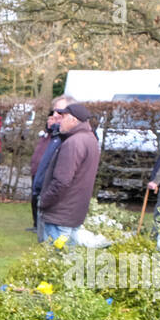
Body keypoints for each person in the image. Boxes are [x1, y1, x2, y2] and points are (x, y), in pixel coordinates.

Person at [36, 102, 100, 246]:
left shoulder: (74, 143)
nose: (59, 122)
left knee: (54, 259)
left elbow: (62, 181)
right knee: (66, 261)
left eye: (63, 117)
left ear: (73, 120)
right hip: (71, 213)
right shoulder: (90, 139)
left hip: (60, 215)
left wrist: (44, 201)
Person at [31, 95, 73, 241]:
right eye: (54, 111)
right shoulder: (56, 135)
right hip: (44, 196)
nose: (55, 115)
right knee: (44, 246)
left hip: (56, 205)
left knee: (54, 248)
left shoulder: (70, 140)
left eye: (59, 112)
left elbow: (63, 178)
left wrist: (47, 197)